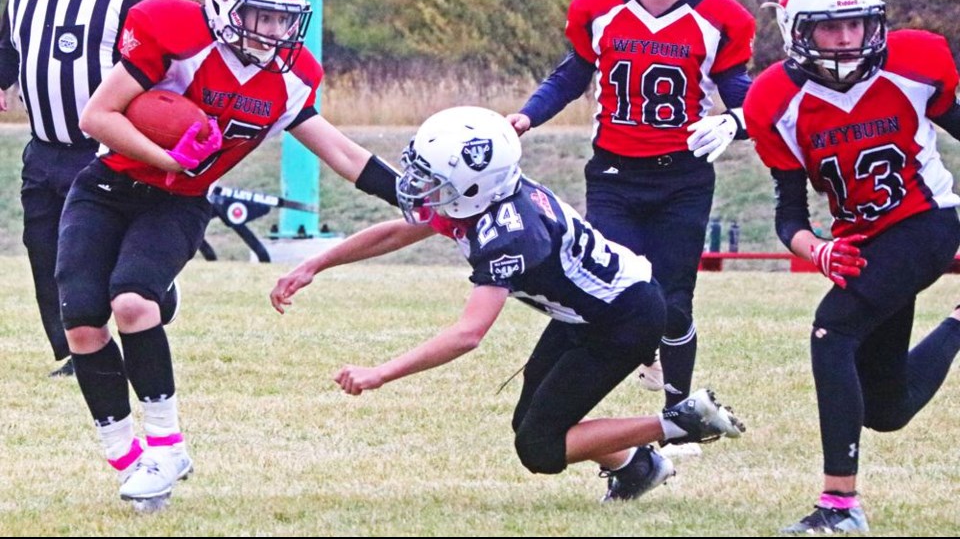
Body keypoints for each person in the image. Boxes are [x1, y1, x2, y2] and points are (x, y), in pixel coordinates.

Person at [57, 0, 400, 509]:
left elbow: (340, 151)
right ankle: (126, 456)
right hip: (107, 188)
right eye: (258, 15)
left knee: (133, 303)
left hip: (179, 202)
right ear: (221, 4)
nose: (271, 30)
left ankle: (167, 447)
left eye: (282, 18)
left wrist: (407, 191)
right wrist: (170, 155)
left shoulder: (288, 78)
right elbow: (96, 116)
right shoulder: (175, 35)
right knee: (82, 324)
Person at [271, 106, 745, 502]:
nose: (419, 186)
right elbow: (401, 229)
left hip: (624, 318)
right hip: (592, 309)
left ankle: (678, 423)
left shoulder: (508, 233)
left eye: (432, 178)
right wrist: (316, 264)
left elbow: (467, 334)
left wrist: (381, 373)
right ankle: (639, 469)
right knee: (533, 423)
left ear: (474, 185)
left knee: (539, 448)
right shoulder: (482, 198)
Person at [506, 0, 756, 445]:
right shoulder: (599, 9)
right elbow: (570, 75)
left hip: (682, 179)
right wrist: (526, 116)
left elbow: (750, 98)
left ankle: (681, 411)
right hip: (615, 176)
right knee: (610, 289)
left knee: (673, 299)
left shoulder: (717, 20)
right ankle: (628, 376)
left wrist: (736, 121)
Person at [744, 0, 960, 534]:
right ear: (796, 31)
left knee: (832, 330)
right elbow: (789, 214)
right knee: (885, 409)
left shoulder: (916, 64)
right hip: (864, 243)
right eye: (828, 27)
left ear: (875, 22)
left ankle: (839, 507)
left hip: (927, 222)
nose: (845, 39)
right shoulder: (774, 102)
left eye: (855, 24)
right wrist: (815, 248)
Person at [0, 0, 148, 378]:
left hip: (101, 151)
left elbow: (153, 62)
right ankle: (73, 352)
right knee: (44, 251)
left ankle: (138, 315)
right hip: (42, 151)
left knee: (89, 252)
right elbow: (7, 54)